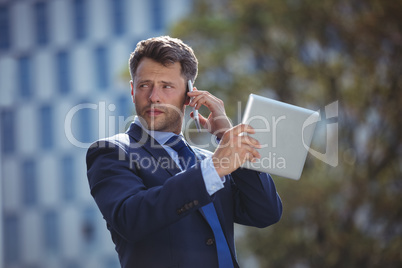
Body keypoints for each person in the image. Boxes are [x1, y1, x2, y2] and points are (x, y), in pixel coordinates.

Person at [86, 36, 282, 268]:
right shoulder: (111, 152)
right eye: (144, 85)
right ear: (132, 90)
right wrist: (213, 169)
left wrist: (226, 136)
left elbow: (266, 213)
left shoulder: (208, 160)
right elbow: (131, 219)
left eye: (166, 86)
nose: (153, 97)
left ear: (189, 94)